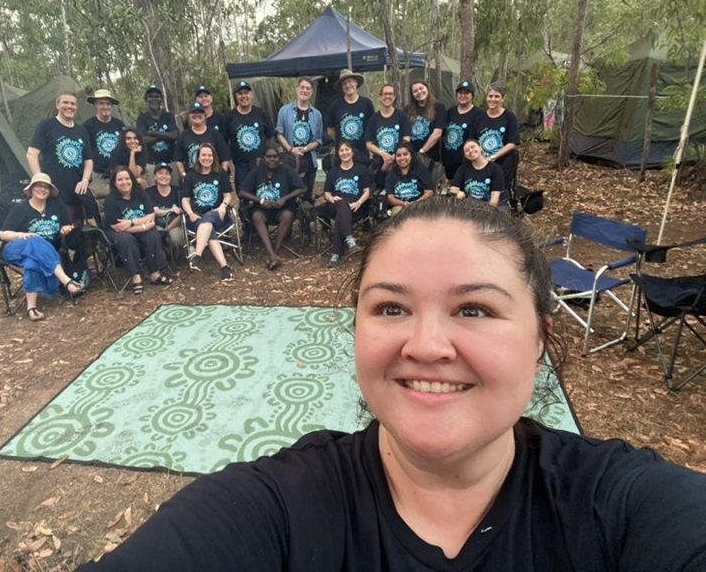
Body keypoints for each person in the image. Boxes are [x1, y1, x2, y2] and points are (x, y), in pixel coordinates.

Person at [81, 198, 706, 571]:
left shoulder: (618, 510)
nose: (426, 346)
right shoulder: (278, 510)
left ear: (541, 341)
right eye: (390, 308)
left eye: (475, 310)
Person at [0, 173, 85, 322]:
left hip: (46, 253)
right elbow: (3, 234)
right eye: (39, 186)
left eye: (46, 187)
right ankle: (66, 280)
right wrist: (21, 235)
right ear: (31, 188)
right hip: (15, 248)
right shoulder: (21, 209)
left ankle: (31, 308)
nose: (42, 189)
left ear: (50, 191)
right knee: (35, 240)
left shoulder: (56, 205)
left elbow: (65, 224)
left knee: (33, 263)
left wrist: (65, 229)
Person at [26, 91, 100, 226]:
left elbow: (88, 160)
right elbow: (31, 154)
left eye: (73, 104)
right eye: (65, 103)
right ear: (57, 105)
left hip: (78, 193)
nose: (69, 106)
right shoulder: (47, 126)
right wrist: (40, 180)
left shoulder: (81, 130)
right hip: (55, 192)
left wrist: (85, 180)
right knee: (59, 229)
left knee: (78, 231)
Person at [103, 167, 176, 295]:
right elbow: (118, 227)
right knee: (126, 239)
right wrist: (143, 226)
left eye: (127, 178)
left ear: (132, 180)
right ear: (114, 183)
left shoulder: (140, 193)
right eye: (120, 179)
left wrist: (132, 223)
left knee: (152, 234)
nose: (124, 182)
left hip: (137, 227)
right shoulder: (111, 200)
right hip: (118, 233)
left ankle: (155, 273)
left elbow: (151, 215)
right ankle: (136, 276)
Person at [239, 142, 306, 270]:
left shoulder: (286, 170)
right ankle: (272, 255)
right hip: (262, 209)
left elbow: (302, 188)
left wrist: (285, 198)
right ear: (264, 158)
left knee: (287, 215)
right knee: (257, 216)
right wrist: (260, 200)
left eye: (275, 157)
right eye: (269, 157)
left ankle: (273, 253)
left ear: (279, 158)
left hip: (283, 208)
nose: (272, 160)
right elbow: (242, 191)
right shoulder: (257, 171)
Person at [180, 143, 235, 282]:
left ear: (214, 157)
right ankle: (224, 268)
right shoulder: (191, 176)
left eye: (209, 155)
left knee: (210, 217)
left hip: (218, 214)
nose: (207, 158)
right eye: (203, 155)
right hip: (197, 215)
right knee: (208, 225)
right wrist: (190, 213)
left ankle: (197, 255)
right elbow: (185, 200)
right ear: (198, 157)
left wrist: (223, 206)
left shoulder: (220, 173)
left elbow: (228, 195)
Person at [322, 139, 370, 269]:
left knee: (341, 216)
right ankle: (349, 239)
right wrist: (332, 198)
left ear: (352, 151)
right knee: (341, 204)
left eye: (347, 149)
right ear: (338, 153)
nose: (345, 153)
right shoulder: (333, 172)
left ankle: (336, 255)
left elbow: (367, 191)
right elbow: (326, 193)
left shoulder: (361, 169)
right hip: (335, 205)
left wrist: (359, 202)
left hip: (355, 206)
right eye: (342, 150)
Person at [275, 77, 323, 203]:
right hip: (290, 160)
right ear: (297, 89)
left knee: (307, 195)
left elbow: (318, 139)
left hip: (308, 160)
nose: (304, 90)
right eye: (302, 87)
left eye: (308, 88)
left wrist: (306, 148)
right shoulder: (284, 111)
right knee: (289, 194)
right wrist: (291, 149)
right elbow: (279, 134)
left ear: (311, 92)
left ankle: (305, 221)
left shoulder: (316, 114)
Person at [472, 83, 520, 207]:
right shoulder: (479, 117)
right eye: (490, 96)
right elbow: (472, 141)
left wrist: (494, 156)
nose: (493, 99)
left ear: (502, 99)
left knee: (500, 195)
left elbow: (513, 142)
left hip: (503, 163)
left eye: (497, 96)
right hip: (481, 163)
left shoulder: (509, 117)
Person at [223, 81, 275, 193]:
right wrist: (229, 159)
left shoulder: (260, 113)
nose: (243, 96)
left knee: (263, 192)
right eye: (240, 93)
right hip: (241, 165)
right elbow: (224, 141)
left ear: (251, 95)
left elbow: (270, 136)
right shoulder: (230, 117)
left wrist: (269, 157)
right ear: (236, 96)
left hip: (260, 163)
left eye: (246, 93)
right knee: (243, 194)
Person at [365, 84, 411, 190]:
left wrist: (392, 158)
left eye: (390, 94)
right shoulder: (374, 118)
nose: (387, 96)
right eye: (385, 94)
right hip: (380, 164)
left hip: (400, 161)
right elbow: (369, 144)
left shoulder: (401, 116)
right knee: (381, 191)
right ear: (380, 97)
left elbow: (406, 140)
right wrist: (383, 154)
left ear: (394, 97)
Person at [83, 89, 125, 199]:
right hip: (98, 173)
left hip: (118, 173)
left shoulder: (119, 125)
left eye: (108, 104)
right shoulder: (88, 126)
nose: (105, 107)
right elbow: (85, 151)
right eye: (101, 103)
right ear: (95, 106)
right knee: (95, 197)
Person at [406, 79, 447, 187]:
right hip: (411, 158)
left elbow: (437, 133)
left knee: (429, 188)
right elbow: (405, 133)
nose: (419, 92)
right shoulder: (408, 110)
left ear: (427, 89)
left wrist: (421, 152)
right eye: (415, 91)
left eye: (421, 88)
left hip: (430, 158)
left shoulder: (439, 107)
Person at [174, 102, 231, 179]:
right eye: (193, 113)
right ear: (189, 116)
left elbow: (225, 157)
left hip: (212, 178)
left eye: (199, 112)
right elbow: (178, 159)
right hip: (192, 179)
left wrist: (222, 176)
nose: (197, 115)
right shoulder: (184, 135)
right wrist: (184, 174)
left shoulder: (214, 133)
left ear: (205, 116)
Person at [442, 80, 483, 184]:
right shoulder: (450, 111)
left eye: (466, 93)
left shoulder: (478, 114)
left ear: (472, 96)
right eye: (460, 93)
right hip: (448, 160)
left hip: (466, 160)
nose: (463, 96)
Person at [136, 84, 179, 181]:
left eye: (157, 96)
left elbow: (175, 135)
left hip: (170, 163)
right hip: (151, 165)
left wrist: (153, 133)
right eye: (151, 96)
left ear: (161, 99)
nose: (154, 99)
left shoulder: (168, 116)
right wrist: (166, 136)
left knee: (174, 192)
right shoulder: (142, 118)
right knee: (151, 194)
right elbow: (142, 140)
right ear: (147, 99)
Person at [450, 139, 506, 206]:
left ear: (480, 148)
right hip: (469, 207)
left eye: (473, 147)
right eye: (467, 150)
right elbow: (453, 188)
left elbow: (495, 195)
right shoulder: (463, 169)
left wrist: (489, 211)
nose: (470, 151)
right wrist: (458, 192)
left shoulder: (495, 168)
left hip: (490, 207)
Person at [384, 142, 434, 216]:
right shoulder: (391, 174)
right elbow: (390, 197)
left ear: (411, 156)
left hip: (420, 204)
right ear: (395, 158)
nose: (402, 158)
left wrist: (416, 203)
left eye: (405, 154)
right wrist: (403, 204)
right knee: (397, 213)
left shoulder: (421, 170)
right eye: (398, 155)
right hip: (400, 206)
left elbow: (429, 192)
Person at [145, 162, 185, 251]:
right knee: (154, 236)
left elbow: (181, 214)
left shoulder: (178, 191)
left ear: (171, 177)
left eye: (167, 174)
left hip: (174, 224)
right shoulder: (148, 192)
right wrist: (171, 211)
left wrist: (167, 230)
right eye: (160, 173)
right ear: (155, 176)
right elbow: (155, 211)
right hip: (156, 224)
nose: (164, 176)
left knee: (176, 239)